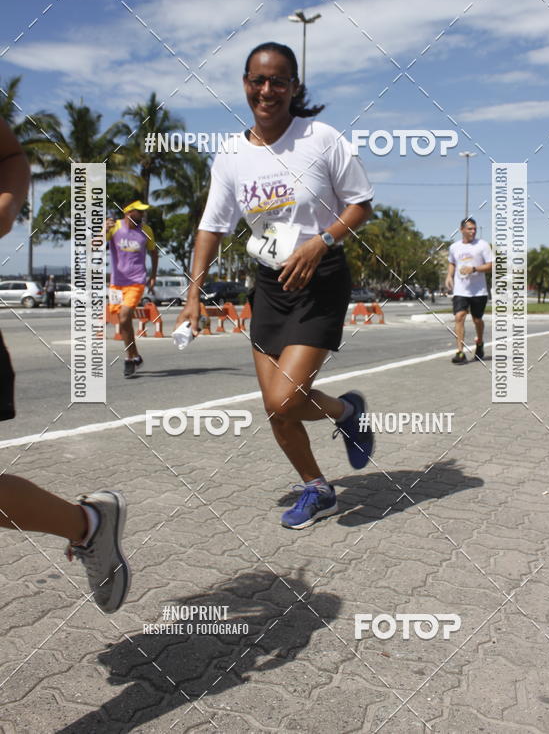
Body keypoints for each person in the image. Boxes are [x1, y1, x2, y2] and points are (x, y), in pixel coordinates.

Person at [177, 42, 375, 529]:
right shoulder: (231, 154)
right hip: (269, 284)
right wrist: (193, 296)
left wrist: (321, 242)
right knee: (277, 410)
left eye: (278, 81)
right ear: (245, 84)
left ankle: (348, 411)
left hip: (319, 278)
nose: (266, 90)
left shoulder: (321, 139)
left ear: (294, 87)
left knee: (283, 398)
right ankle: (317, 487)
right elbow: (212, 227)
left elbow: (361, 204)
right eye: (257, 80)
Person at [0, 117, 130, 613]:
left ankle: (88, 524)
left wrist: (6, 206)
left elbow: (11, 155)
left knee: (123, 324)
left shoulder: (128, 232)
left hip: (119, 297)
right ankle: (90, 523)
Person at [106, 201, 158, 378]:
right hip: (116, 283)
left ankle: (129, 359)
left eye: (143, 213)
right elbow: (93, 246)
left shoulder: (146, 231)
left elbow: (154, 252)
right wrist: (103, 230)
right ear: (128, 213)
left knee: (124, 315)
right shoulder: (114, 227)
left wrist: (153, 275)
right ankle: (135, 356)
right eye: (139, 212)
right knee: (122, 321)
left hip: (136, 281)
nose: (142, 215)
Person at [446, 217, 493, 364]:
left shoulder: (483, 245)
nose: (473, 231)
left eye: (474, 229)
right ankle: (460, 352)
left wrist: (473, 268)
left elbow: (490, 265)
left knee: (477, 320)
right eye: (469, 229)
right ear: (462, 230)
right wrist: (449, 276)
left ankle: (479, 343)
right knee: (459, 317)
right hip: (461, 290)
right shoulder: (454, 247)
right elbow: (452, 262)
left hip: (479, 291)